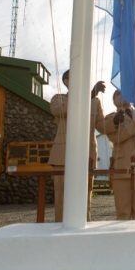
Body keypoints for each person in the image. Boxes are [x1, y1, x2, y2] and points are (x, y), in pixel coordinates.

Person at [48, 70, 103, 222]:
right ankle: (60, 231)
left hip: (87, 155)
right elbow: (59, 111)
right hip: (62, 157)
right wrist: (87, 96)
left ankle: (84, 229)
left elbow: (103, 126)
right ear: (66, 81)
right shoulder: (59, 99)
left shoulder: (95, 101)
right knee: (62, 197)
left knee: (85, 196)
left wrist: (121, 119)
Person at [97, 90, 135, 219]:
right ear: (114, 100)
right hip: (121, 168)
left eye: (125, 91)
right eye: (118, 93)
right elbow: (117, 137)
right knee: (123, 212)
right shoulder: (112, 118)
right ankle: (123, 239)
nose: (123, 94)